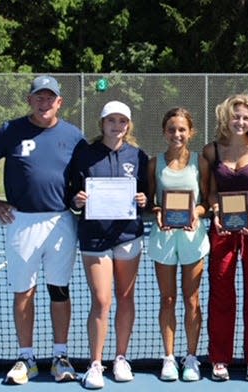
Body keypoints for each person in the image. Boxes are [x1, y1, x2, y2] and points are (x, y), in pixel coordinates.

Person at [0, 75, 84, 385]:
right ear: (29, 100)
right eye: (39, 96)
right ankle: (26, 358)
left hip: (61, 222)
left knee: (59, 290)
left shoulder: (73, 135)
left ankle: (60, 357)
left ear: (59, 102)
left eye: (50, 97)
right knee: (24, 292)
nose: (44, 102)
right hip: (20, 222)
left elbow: (85, 175)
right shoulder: (11, 130)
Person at [69, 101, 148, 389]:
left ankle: (121, 358)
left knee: (126, 298)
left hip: (128, 236)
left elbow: (147, 196)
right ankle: (95, 364)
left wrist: (144, 201)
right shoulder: (84, 154)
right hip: (94, 237)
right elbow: (71, 192)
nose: (117, 125)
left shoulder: (138, 156)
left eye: (122, 121)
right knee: (102, 300)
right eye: (111, 120)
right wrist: (77, 201)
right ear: (102, 123)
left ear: (129, 126)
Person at [202, 93, 248, 382]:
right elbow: (209, 191)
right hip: (221, 229)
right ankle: (219, 358)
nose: (240, 122)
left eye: (245, 117)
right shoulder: (211, 152)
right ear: (225, 118)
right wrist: (217, 211)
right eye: (235, 116)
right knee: (221, 291)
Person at [147, 108, 210, 382]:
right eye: (172, 129)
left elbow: (208, 201)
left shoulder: (200, 162)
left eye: (182, 129)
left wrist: (197, 212)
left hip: (193, 238)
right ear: (164, 132)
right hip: (163, 238)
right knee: (167, 299)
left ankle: (192, 358)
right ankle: (169, 358)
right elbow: (151, 202)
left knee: (192, 299)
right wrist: (157, 211)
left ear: (190, 132)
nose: (177, 134)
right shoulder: (154, 163)